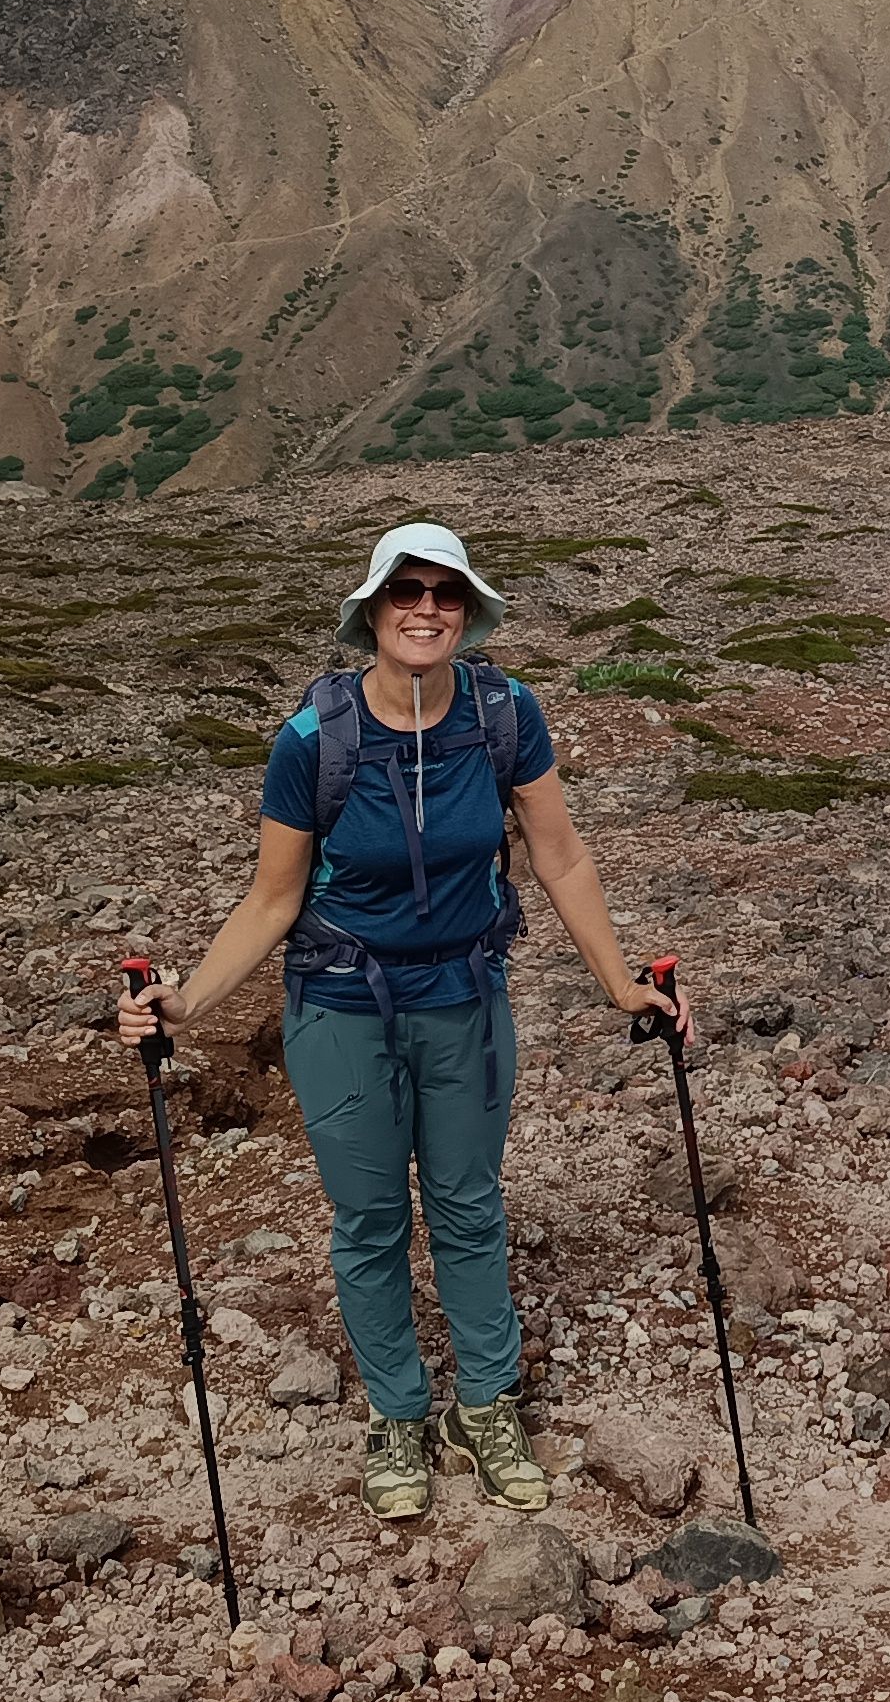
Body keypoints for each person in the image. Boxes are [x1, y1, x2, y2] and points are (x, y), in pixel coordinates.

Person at [119, 522, 682, 1524]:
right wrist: (186, 1002)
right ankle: (396, 1414)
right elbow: (271, 899)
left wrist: (620, 984)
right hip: (340, 1007)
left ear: (467, 610)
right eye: (405, 592)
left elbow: (559, 858)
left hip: (464, 998)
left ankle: (485, 1404)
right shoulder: (315, 741)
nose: (426, 609)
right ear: (372, 613)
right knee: (371, 1222)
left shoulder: (506, 714)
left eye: (446, 592)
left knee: (467, 1204)